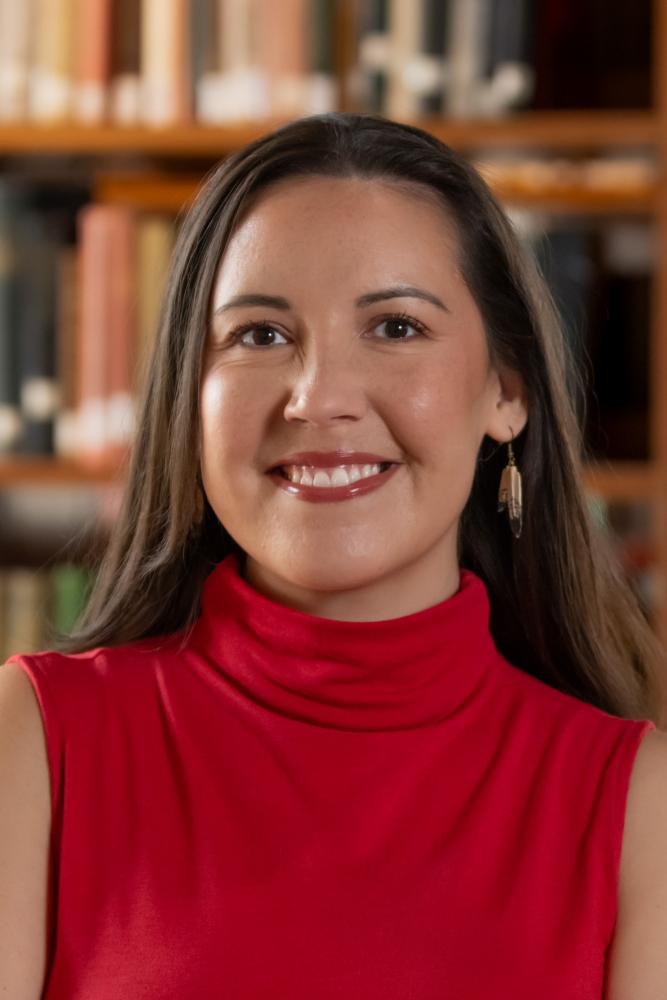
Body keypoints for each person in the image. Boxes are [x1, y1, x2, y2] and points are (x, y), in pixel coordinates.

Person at [1, 112, 666, 998]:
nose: (317, 400)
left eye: (394, 327)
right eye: (260, 336)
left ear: (505, 392)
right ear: (188, 398)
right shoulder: (37, 742)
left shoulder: (633, 807)